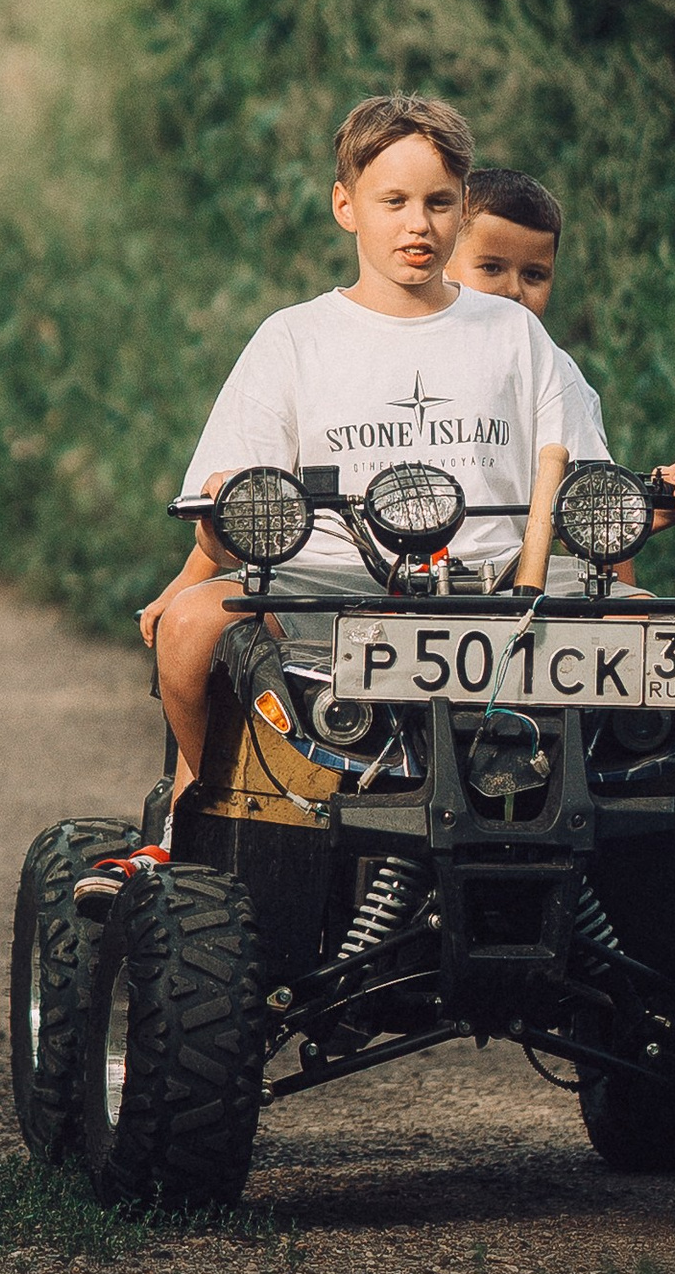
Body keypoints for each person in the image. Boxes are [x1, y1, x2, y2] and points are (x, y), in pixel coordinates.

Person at [136, 93, 568, 822]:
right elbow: (225, 513)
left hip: (501, 586)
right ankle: (207, 809)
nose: (416, 224)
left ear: (463, 209)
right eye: (392, 200)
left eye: (437, 202)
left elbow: (578, 481)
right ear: (347, 206)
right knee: (187, 625)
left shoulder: (513, 335)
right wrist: (219, 520)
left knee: (653, 622)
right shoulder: (295, 339)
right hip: (326, 588)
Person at [453, 164, 675, 522]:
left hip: (507, 576)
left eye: (534, 275)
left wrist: (673, 498)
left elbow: (602, 522)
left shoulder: (553, 370)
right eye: (491, 268)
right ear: (443, 261)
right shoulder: (393, 345)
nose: (514, 290)